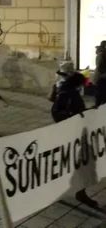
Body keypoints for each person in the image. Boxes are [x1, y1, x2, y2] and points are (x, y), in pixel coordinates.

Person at [48, 60, 98, 207]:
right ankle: (78, 192)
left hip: (75, 130)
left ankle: (77, 190)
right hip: (71, 132)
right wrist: (72, 119)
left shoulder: (68, 89)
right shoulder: (66, 91)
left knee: (78, 161)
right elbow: (57, 111)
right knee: (80, 162)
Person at [94, 41, 106, 106]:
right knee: (100, 93)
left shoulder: (101, 54)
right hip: (101, 77)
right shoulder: (102, 55)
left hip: (101, 76)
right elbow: (99, 66)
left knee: (100, 93)